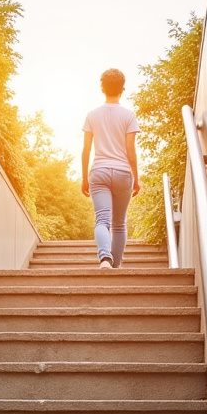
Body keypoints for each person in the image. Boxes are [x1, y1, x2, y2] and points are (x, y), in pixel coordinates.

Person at [81, 68, 141, 269]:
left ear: (102, 88)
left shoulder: (92, 115)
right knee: (119, 223)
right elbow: (130, 150)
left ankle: (105, 258)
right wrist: (136, 178)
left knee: (102, 220)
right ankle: (116, 267)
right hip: (123, 172)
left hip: (99, 171)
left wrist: (84, 178)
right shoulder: (128, 115)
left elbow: (86, 151)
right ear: (122, 89)